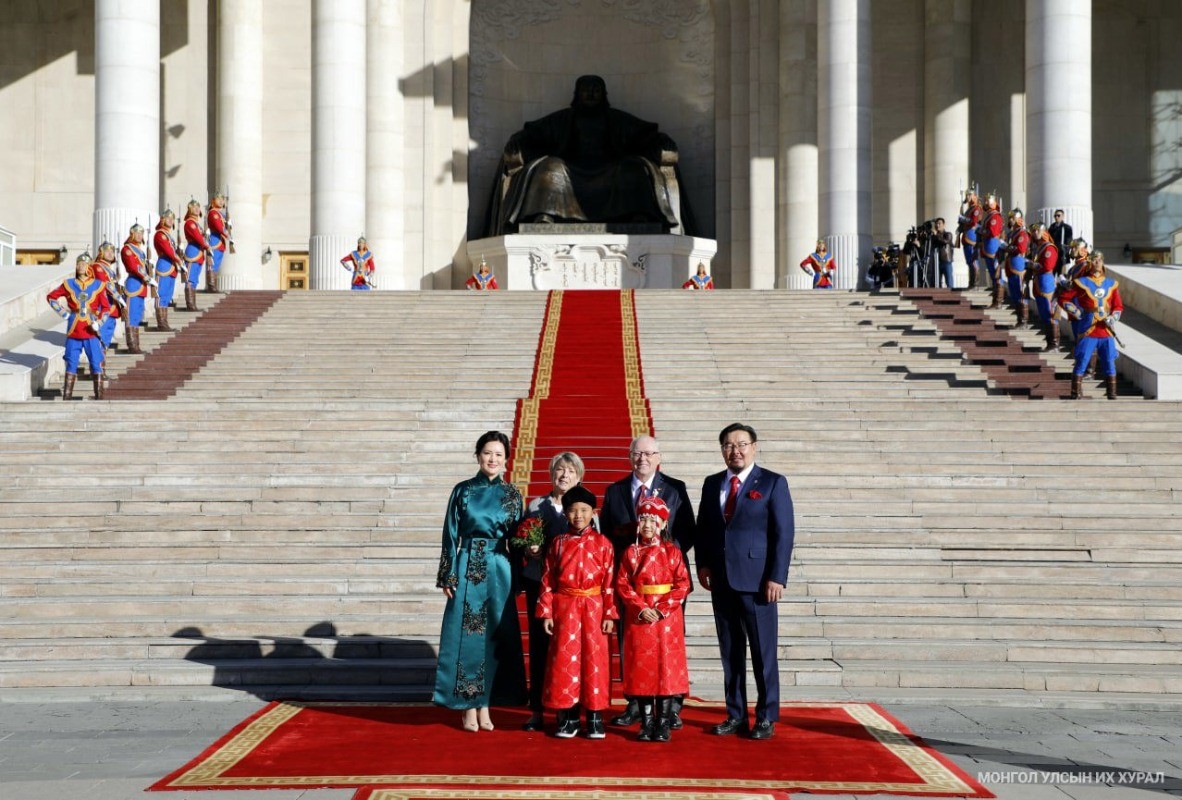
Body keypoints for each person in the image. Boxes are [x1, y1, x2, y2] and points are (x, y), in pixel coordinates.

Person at [486, 74, 683, 235]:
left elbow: (645, 134)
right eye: (586, 90)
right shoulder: (564, 118)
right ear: (577, 94)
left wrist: (662, 140)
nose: (590, 94)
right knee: (550, 168)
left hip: (610, 169)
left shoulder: (616, 119)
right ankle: (545, 214)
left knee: (631, 168)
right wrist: (516, 141)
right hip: (570, 171)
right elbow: (532, 133)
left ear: (604, 94)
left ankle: (638, 213)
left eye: (595, 90)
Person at [696, 423, 795, 741]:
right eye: (728, 445)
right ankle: (735, 713)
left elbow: (783, 533)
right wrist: (703, 564)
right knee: (730, 651)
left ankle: (766, 716)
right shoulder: (712, 484)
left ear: (754, 446)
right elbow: (704, 528)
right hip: (722, 580)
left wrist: (777, 576)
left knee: (763, 652)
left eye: (741, 444)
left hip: (758, 583)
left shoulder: (772, 483)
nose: (734, 450)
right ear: (722, 449)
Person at [432, 431, 528, 731]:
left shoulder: (513, 494)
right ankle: (467, 706)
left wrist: (523, 568)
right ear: (478, 456)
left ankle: (486, 702)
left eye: (499, 454)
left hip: (500, 565)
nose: (493, 459)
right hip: (468, 561)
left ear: (506, 460)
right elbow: (450, 533)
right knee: (468, 637)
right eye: (488, 453)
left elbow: (519, 538)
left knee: (495, 637)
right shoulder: (462, 491)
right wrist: (448, 573)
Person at [599, 435, 694, 729]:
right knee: (632, 643)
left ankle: (672, 705)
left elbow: (688, 530)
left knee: (669, 646)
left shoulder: (675, 488)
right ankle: (635, 703)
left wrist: (660, 552)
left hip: (666, 582)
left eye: (649, 453)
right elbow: (607, 535)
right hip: (631, 582)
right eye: (637, 453)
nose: (643, 459)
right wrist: (635, 548)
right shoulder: (615, 491)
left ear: (659, 457)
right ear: (630, 456)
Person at [537, 484, 617, 739]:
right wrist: (546, 612)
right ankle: (568, 717)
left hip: (594, 607)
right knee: (565, 662)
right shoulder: (557, 544)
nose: (578, 516)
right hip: (566, 608)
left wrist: (609, 615)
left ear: (593, 512)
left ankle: (594, 717)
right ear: (565, 513)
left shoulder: (604, 544)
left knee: (595, 662)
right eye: (572, 511)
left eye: (584, 510)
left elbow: (610, 582)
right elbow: (548, 579)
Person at [615, 496, 691, 743]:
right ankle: (646, 723)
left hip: (666, 620)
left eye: (653, 520)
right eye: (643, 519)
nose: (647, 525)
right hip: (640, 618)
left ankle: (663, 722)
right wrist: (639, 607)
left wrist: (662, 608)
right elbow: (622, 584)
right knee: (643, 670)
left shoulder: (672, 551)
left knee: (665, 669)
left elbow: (683, 584)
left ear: (662, 524)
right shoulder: (631, 552)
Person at [520, 451, 584, 732]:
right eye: (559, 470)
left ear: (579, 476)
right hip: (540, 584)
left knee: (568, 650)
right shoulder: (536, 506)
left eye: (570, 470)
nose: (564, 475)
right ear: (551, 474)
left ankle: (566, 709)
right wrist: (529, 548)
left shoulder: (585, 507)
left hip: (574, 591)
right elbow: (522, 539)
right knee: (540, 646)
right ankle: (537, 709)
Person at [1059, 251, 1123, 400]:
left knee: (1109, 362)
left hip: (1106, 329)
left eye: (1100, 260)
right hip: (1088, 327)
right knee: (1082, 361)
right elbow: (1064, 298)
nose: (1097, 262)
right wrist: (1077, 312)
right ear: (1089, 263)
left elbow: (1118, 306)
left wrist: (1113, 318)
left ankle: (1112, 393)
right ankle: (1076, 392)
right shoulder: (1081, 282)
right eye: (1094, 260)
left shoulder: (1111, 284)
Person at [46, 255, 112, 400]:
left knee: (96, 361)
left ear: (89, 267)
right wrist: (64, 314)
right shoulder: (68, 284)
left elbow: (106, 308)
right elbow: (51, 297)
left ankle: (99, 396)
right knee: (71, 362)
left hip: (91, 328)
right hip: (74, 328)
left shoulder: (98, 284)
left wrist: (99, 323)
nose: (81, 266)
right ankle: (67, 396)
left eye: (85, 263)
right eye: (79, 263)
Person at [120, 223, 154, 354]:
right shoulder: (127, 249)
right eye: (137, 233)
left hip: (141, 287)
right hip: (134, 285)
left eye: (141, 233)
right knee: (131, 315)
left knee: (137, 316)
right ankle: (132, 345)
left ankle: (136, 345)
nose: (140, 235)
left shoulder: (140, 250)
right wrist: (147, 277)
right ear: (132, 234)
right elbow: (134, 267)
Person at [1028, 223, 1061, 351]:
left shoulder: (1049, 248)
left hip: (1046, 281)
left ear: (1043, 231)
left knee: (1050, 313)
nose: (1035, 233)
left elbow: (1047, 265)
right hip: (1038, 281)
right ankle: (1049, 342)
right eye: (1033, 230)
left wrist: (1033, 265)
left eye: (1037, 230)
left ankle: (1054, 343)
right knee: (1044, 314)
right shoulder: (1038, 247)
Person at [90, 241, 123, 352]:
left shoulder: (109, 269)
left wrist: (117, 281)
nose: (110, 253)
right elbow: (105, 284)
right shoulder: (97, 266)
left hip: (111, 307)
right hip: (102, 306)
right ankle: (98, 366)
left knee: (106, 340)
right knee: (101, 338)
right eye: (107, 251)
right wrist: (120, 298)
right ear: (101, 253)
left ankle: (101, 366)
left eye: (112, 251)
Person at [153, 210, 182, 332]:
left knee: (167, 296)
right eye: (168, 218)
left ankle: (165, 322)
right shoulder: (160, 234)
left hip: (171, 267)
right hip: (164, 265)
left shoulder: (168, 235)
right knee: (161, 294)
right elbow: (168, 250)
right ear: (162, 220)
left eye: (172, 218)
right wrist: (178, 258)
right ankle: (161, 323)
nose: (170, 220)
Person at [1003, 210, 1031, 325]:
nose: (1010, 220)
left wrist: (1007, 247)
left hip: (1019, 265)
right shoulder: (1012, 233)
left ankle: (1023, 320)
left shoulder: (1022, 233)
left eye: (1012, 218)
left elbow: (1020, 248)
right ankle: (1019, 319)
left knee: (1021, 293)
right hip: (1011, 265)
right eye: (1010, 218)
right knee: (1014, 295)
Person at [183, 200, 211, 311]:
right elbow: (197, 237)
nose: (196, 209)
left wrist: (206, 233)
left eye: (198, 207)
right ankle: (190, 305)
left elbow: (201, 236)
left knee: (194, 279)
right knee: (190, 279)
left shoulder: (196, 224)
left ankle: (193, 304)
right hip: (193, 252)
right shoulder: (190, 223)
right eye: (194, 207)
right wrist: (206, 245)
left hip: (199, 253)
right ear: (189, 209)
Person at [979, 194, 1006, 307]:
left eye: (986, 202)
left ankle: (998, 300)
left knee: (996, 274)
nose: (984, 204)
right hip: (988, 247)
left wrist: (981, 231)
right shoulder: (990, 216)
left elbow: (993, 232)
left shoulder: (995, 216)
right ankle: (995, 299)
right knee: (992, 275)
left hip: (993, 247)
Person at [205, 192, 232, 293]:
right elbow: (218, 227)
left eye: (222, 199)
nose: (221, 201)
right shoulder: (213, 213)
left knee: (216, 265)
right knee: (212, 264)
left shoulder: (221, 214)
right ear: (213, 201)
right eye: (218, 199)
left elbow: (224, 226)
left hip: (220, 242)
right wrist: (228, 235)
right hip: (214, 241)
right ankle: (211, 286)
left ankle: (213, 286)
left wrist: (229, 223)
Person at [956, 189, 983, 288]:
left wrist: (963, 219)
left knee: (973, 260)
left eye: (969, 195)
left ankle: (975, 282)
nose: (967, 197)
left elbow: (974, 222)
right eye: (966, 195)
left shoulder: (976, 208)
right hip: (967, 236)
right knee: (969, 261)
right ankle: (971, 281)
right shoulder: (969, 209)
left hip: (972, 236)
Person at [1048, 209, 1073, 276]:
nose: (1056, 217)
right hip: (1053, 255)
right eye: (1055, 216)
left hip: (1062, 256)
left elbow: (1069, 242)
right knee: (1051, 275)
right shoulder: (1051, 227)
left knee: (1062, 276)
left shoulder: (1067, 228)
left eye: (1058, 215)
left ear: (1063, 216)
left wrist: (1064, 251)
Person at [933, 218, 955, 289]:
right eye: (936, 223)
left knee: (949, 281)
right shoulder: (934, 236)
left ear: (943, 224)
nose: (937, 225)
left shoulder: (948, 234)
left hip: (946, 260)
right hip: (936, 262)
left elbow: (945, 241)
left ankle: (951, 296)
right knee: (937, 281)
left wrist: (936, 235)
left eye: (939, 223)